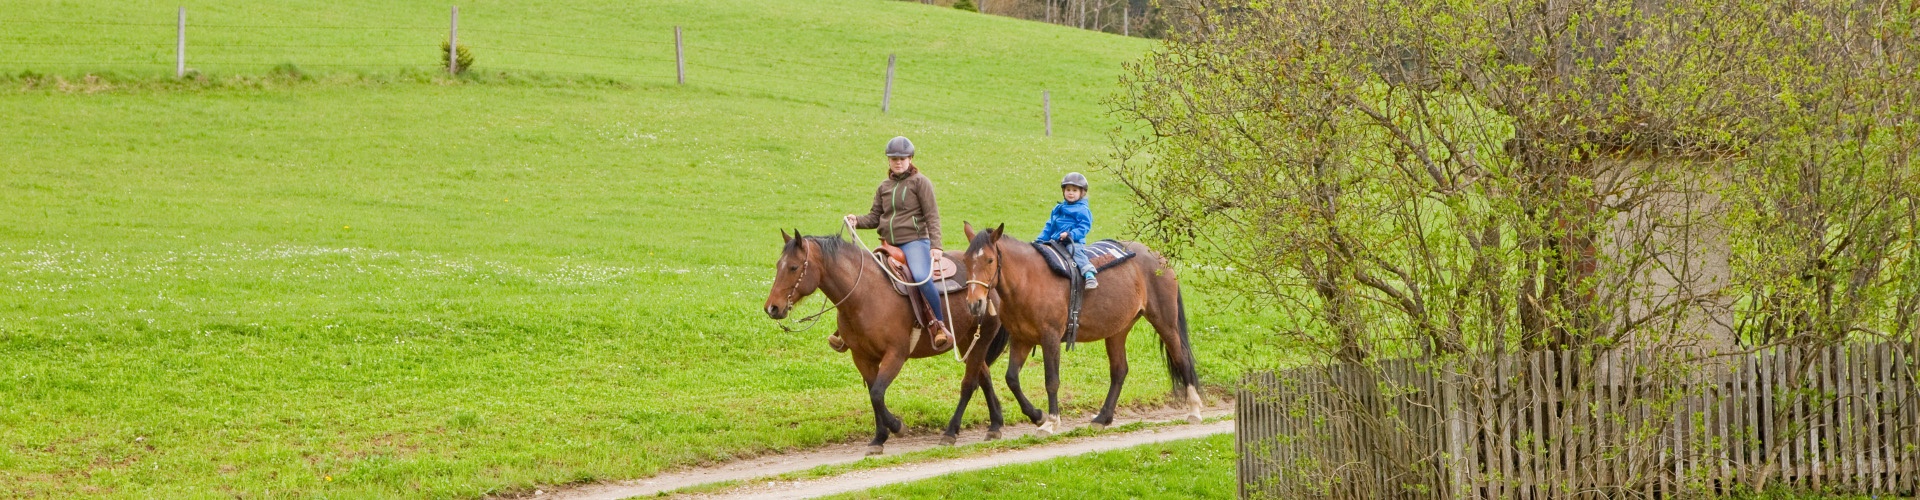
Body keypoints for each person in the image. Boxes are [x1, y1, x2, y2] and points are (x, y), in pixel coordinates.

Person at [838, 136, 953, 353]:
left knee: (920, 277)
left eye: (902, 158)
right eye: (893, 159)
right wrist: (856, 221)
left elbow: (932, 216)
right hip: (888, 245)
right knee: (862, 278)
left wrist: (936, 246)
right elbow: (874, 217)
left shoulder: (921, 183)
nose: (897, 162)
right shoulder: (884, 186)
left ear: (910, 159)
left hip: (915, 242)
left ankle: (939, 325)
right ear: (888, 161)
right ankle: (847, 332)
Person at [1037, 172, 1097, 289]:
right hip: (1055, 242)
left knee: (1077, 254)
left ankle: (1089, 275)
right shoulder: (1058, 209)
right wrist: (1040, 240)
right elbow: (1049, 226)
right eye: (1068, 189)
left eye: (1074, 190)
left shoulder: (1082, 209)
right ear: (1063, 191)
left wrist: (1070, 234)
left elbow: (1084, 227)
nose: (1070, 193)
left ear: (1082, 193)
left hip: (1072, 242)